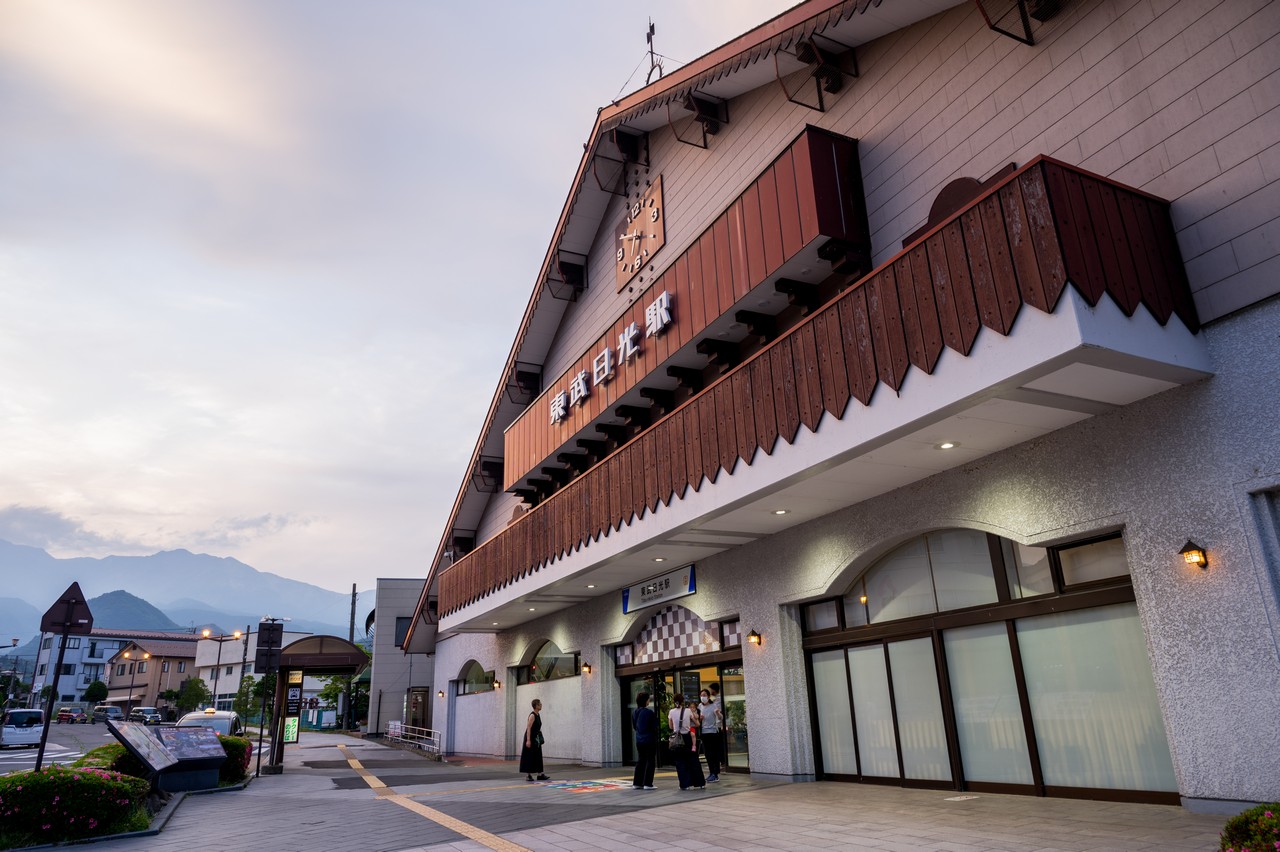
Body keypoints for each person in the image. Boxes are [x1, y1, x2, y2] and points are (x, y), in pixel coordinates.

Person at [667, 693, 704, 791]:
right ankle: (699, 782)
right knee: (693, 760)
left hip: (677, 739)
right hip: (687, 737)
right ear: (683, 701)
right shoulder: (688, 711)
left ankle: (684, 784)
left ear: (674, 701)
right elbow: (697, 724)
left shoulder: (671, 712)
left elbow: (670, 726)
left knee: (680, 762)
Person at [631, 691, 658, 790]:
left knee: (641, 760)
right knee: (650, 761)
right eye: (648, 699)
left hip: (639, 740)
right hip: (649, 739)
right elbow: (654, 726)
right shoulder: (649, 712)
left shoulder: (634, 712)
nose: (649, 701)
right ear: (646, 701)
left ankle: (637, 783)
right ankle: (648, 783)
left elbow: (635, 726)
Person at [520, 698, 550, 782]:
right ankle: (528, 775)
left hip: (536, 739)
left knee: (538, 755)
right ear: (536, 706)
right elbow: (528, 728)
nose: (541, 705)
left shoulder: (538, 714)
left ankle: (540, 774)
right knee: (529, 756)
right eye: (540, 704)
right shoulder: (532, 715)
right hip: (530, 738)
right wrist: (528, 740)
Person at [700, 686, 724, 782]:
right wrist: (699, 718)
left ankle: (715, 773)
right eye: (701, 695)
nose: (702, 697)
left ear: (708, 696)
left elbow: (721, 717)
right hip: (704, 732)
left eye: (704, 695)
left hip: (713, 732)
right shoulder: (700, 706)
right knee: (707, 754)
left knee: (714, 753)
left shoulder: (714, 706)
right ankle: (711, 772)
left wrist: (717, 713)